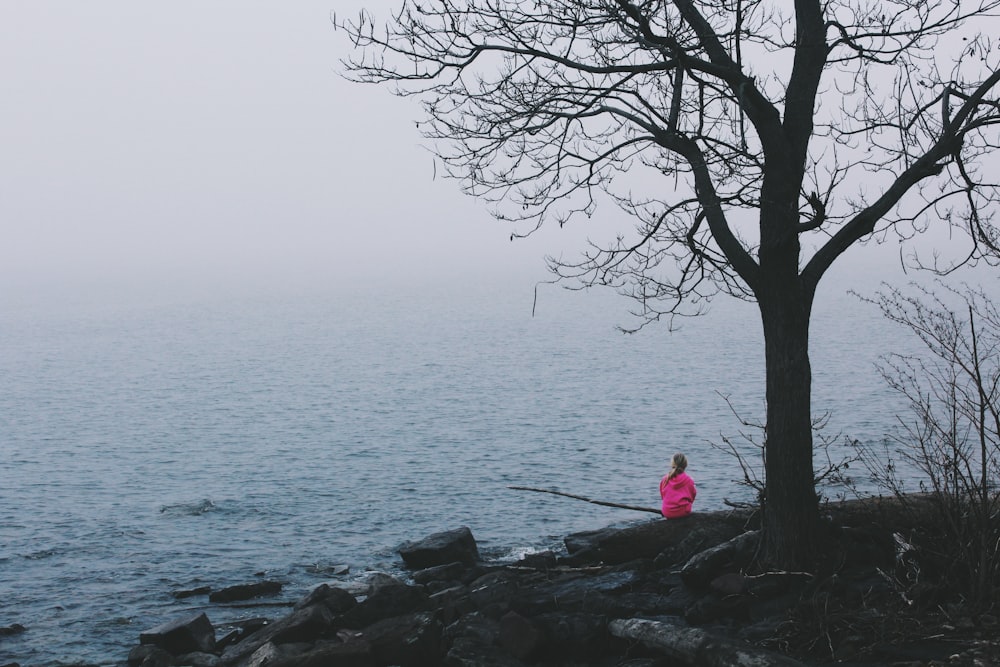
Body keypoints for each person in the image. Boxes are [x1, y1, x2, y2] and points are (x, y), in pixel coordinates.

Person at [659, 453, 697, 519]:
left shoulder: (665, 479)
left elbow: (663, 496)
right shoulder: (689, 480)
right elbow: (692, 496)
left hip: (667, 512)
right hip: (683, 512)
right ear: (685, 465)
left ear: (672, 464)